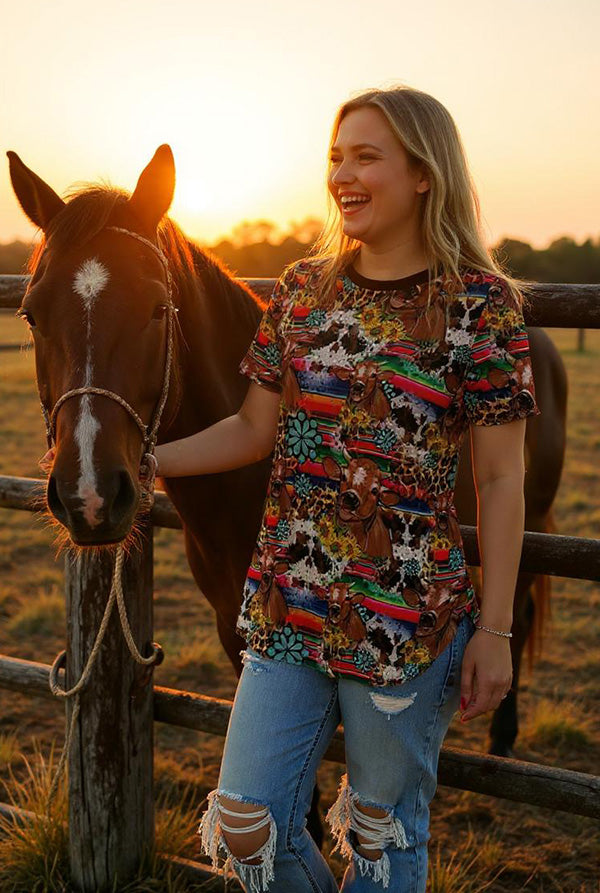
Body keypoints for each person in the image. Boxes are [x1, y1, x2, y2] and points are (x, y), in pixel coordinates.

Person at [153, 85, 539, 893]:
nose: (343, 175)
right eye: (336, 157)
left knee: (381, 838)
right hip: (288, 600)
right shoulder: (301, 291)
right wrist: (144, 464)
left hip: (404, 619)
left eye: (367, 156)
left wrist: (496, 629)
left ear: (424, 174)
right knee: (244, 820)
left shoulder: (477, 305)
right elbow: (251, 431)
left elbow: (502, 478)